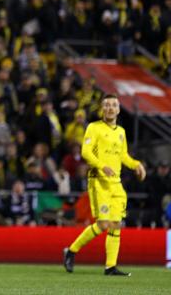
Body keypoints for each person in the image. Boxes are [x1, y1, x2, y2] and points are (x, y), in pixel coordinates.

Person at [63, 94, 146, 276]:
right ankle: (71, 251)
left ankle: (110, 267)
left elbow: (123, 156)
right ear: (102, 109)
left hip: (116, 183)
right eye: (106, 105)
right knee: (103, 224)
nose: (110, 108)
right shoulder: (94, 128)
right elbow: (86, 152)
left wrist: (136, 164)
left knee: (116, 224)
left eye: (113, 105)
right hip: (98, 180)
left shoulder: (121, 132)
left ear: (118, 109)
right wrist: (102, 166)